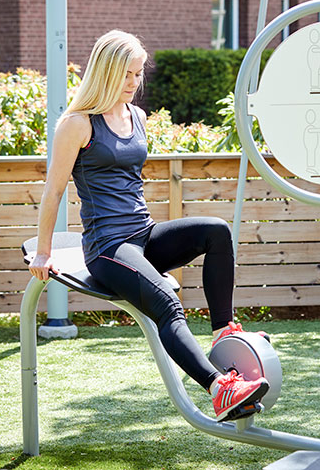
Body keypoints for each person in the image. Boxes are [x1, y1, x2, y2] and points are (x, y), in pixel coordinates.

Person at [28, 29, 269, 422]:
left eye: (138, 74)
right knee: (167, 304)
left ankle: (225, 331)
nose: (133, 83)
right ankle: (219, 387)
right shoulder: (76, 124)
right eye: (126, 74)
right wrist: (43, 251)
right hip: (108, 246)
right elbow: (53, 191)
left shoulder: (137, 116)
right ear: (105, 72)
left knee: (216, 231)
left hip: (143, 233)